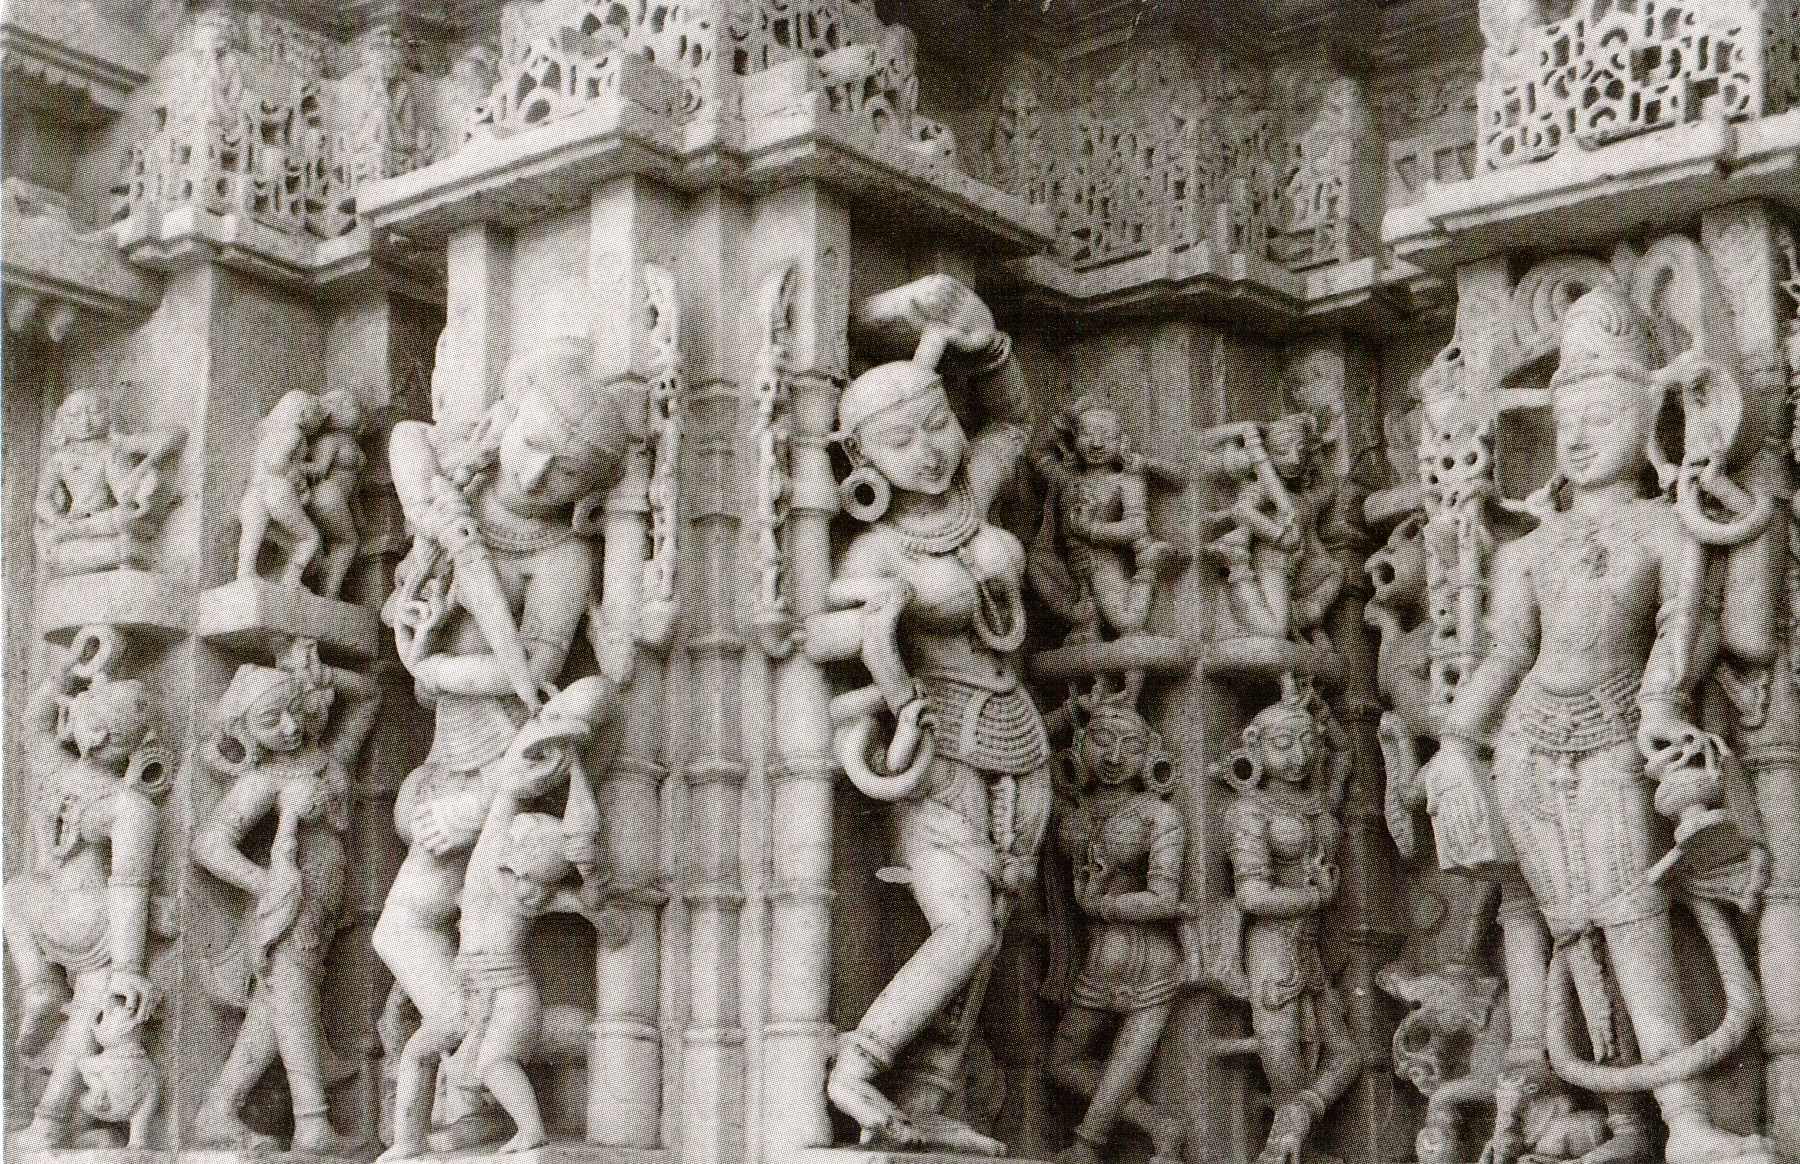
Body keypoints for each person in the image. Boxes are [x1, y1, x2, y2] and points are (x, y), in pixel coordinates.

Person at [1419, 286, 1772, 1164]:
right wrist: (1455, 745)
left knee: (1633, 918)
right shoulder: (1525, 550)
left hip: (1616, 735)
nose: (1577, 438)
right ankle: (1622, 1124)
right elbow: (1506, 656)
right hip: (1527, 747)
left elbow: (1677, 638)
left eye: (1601, 416)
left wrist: (1661, 716)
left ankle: (1685, 1121)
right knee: (1567, 928)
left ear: (1650, 418)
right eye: (1566, 420)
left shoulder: (1667, 530)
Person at [372, 336, 630, 1151]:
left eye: (564, 473)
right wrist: (435, 515)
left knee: (409, 926)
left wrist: (433, 669)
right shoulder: (456, 475)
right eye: (531, 444)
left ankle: (478, 1054)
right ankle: (476, 1060)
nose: (535, 475)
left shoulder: (562, 556)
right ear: (507, 416)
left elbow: (535, 681)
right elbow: (407, 439)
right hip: (445, 748)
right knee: (412, 929)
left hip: (498, 759)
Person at [822, 274, 1051, 1154]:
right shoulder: (875, 548)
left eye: (937, 426)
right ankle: (858, 1066)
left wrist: (984, 344)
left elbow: (1013, 425)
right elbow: (815, 630)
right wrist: (876, 629)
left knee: (997, 927)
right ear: (863, 462)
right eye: (900, 441)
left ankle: (928, 1095)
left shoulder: (974, 499)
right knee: (965, 925)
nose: (928, 452)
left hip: (1019, 739)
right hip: (940, 746)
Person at [382, 710, 628, 1161]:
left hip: (511, 993)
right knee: (420, 1052)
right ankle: (408, 1141)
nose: (530, 890)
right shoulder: (486, 874)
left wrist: (594, 888)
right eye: (523, 875)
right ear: (508, 862)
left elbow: (609, 924)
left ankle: (531, 1132)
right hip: (468, 990)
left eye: (542, 883)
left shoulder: (534, 896)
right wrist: (556, 748)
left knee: (495, 1063)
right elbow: (503, 805)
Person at [191, 641, 380, 1153]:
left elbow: (370, 695)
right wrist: (265, 883)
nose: (290, 727)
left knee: (272, 1010)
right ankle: (312, 1123)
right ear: (247, 733)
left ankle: (218, 1108)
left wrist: (318, 674)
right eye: (270, 722)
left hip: (326, 904)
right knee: (293, 998)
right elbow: (209, 844)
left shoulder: (329, 758)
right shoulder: (264, 780)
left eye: (293, 710)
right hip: (292, 905)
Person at [4, 628, 165, 1149]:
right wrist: (129, 967)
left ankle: (38, 982)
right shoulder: (129, 804)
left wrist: (70, 667)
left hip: (49, 906)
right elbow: (129, 885)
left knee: (11, 894)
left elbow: (32, 720)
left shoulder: (54, 770)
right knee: (90, 1009)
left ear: (87, 736)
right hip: (97, 922)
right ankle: (50, 1120)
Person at [1213, 675, 1361, 1164]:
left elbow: (1344, 756)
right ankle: (1285, 1141)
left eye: (1305, 743)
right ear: (1254, 747)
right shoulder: (1249, 810)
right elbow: (1252, 895)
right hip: (1271, 949)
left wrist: (1320, 711)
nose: (1298, 756)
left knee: (1346, 1056)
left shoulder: (1316, 803)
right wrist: (1316, 896)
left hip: (1309, 948)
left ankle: (1295, 1125)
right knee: (1282, 1061)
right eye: (1282, 744)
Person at [1045, 700, 1191, 1164]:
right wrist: (1066, 712)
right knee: (1059, 1063)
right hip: (1097, 960)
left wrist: (1099, 906)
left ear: (1149, 755)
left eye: (1129, 746)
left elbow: (1164, 899)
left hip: (1152, 960)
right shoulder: (1074, 810)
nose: (1113, 756)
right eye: (1102, 741)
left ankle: (1087, 1147)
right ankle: (1160, 1127)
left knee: (1126, 1059)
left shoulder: (1158, 816)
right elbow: (1029, 753)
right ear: (1081, 747)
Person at [34, 388, 186, 576]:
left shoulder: (113, 448)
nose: (85, 422)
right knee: (52, 536)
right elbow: (43, 499)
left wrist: (140, 473)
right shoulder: (59, 459)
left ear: (109, 415)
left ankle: (115, 551)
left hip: (108, 518)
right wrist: (58, 520)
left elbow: (176, 435)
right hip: (75, 521)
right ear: (62, 420)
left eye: (95, 412)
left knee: (124, 518)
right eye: (74, 416)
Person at [237, 389, 326, 587]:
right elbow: (278, 463)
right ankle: (291, 580)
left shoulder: (269, 434)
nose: (318, 421)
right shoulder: (293, 432)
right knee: (309, 539)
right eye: (315, 414)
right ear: (303, 413)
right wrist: (302, 482)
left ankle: (245, 574)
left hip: (253, 492)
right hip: (277, 490)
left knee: (252, 536)